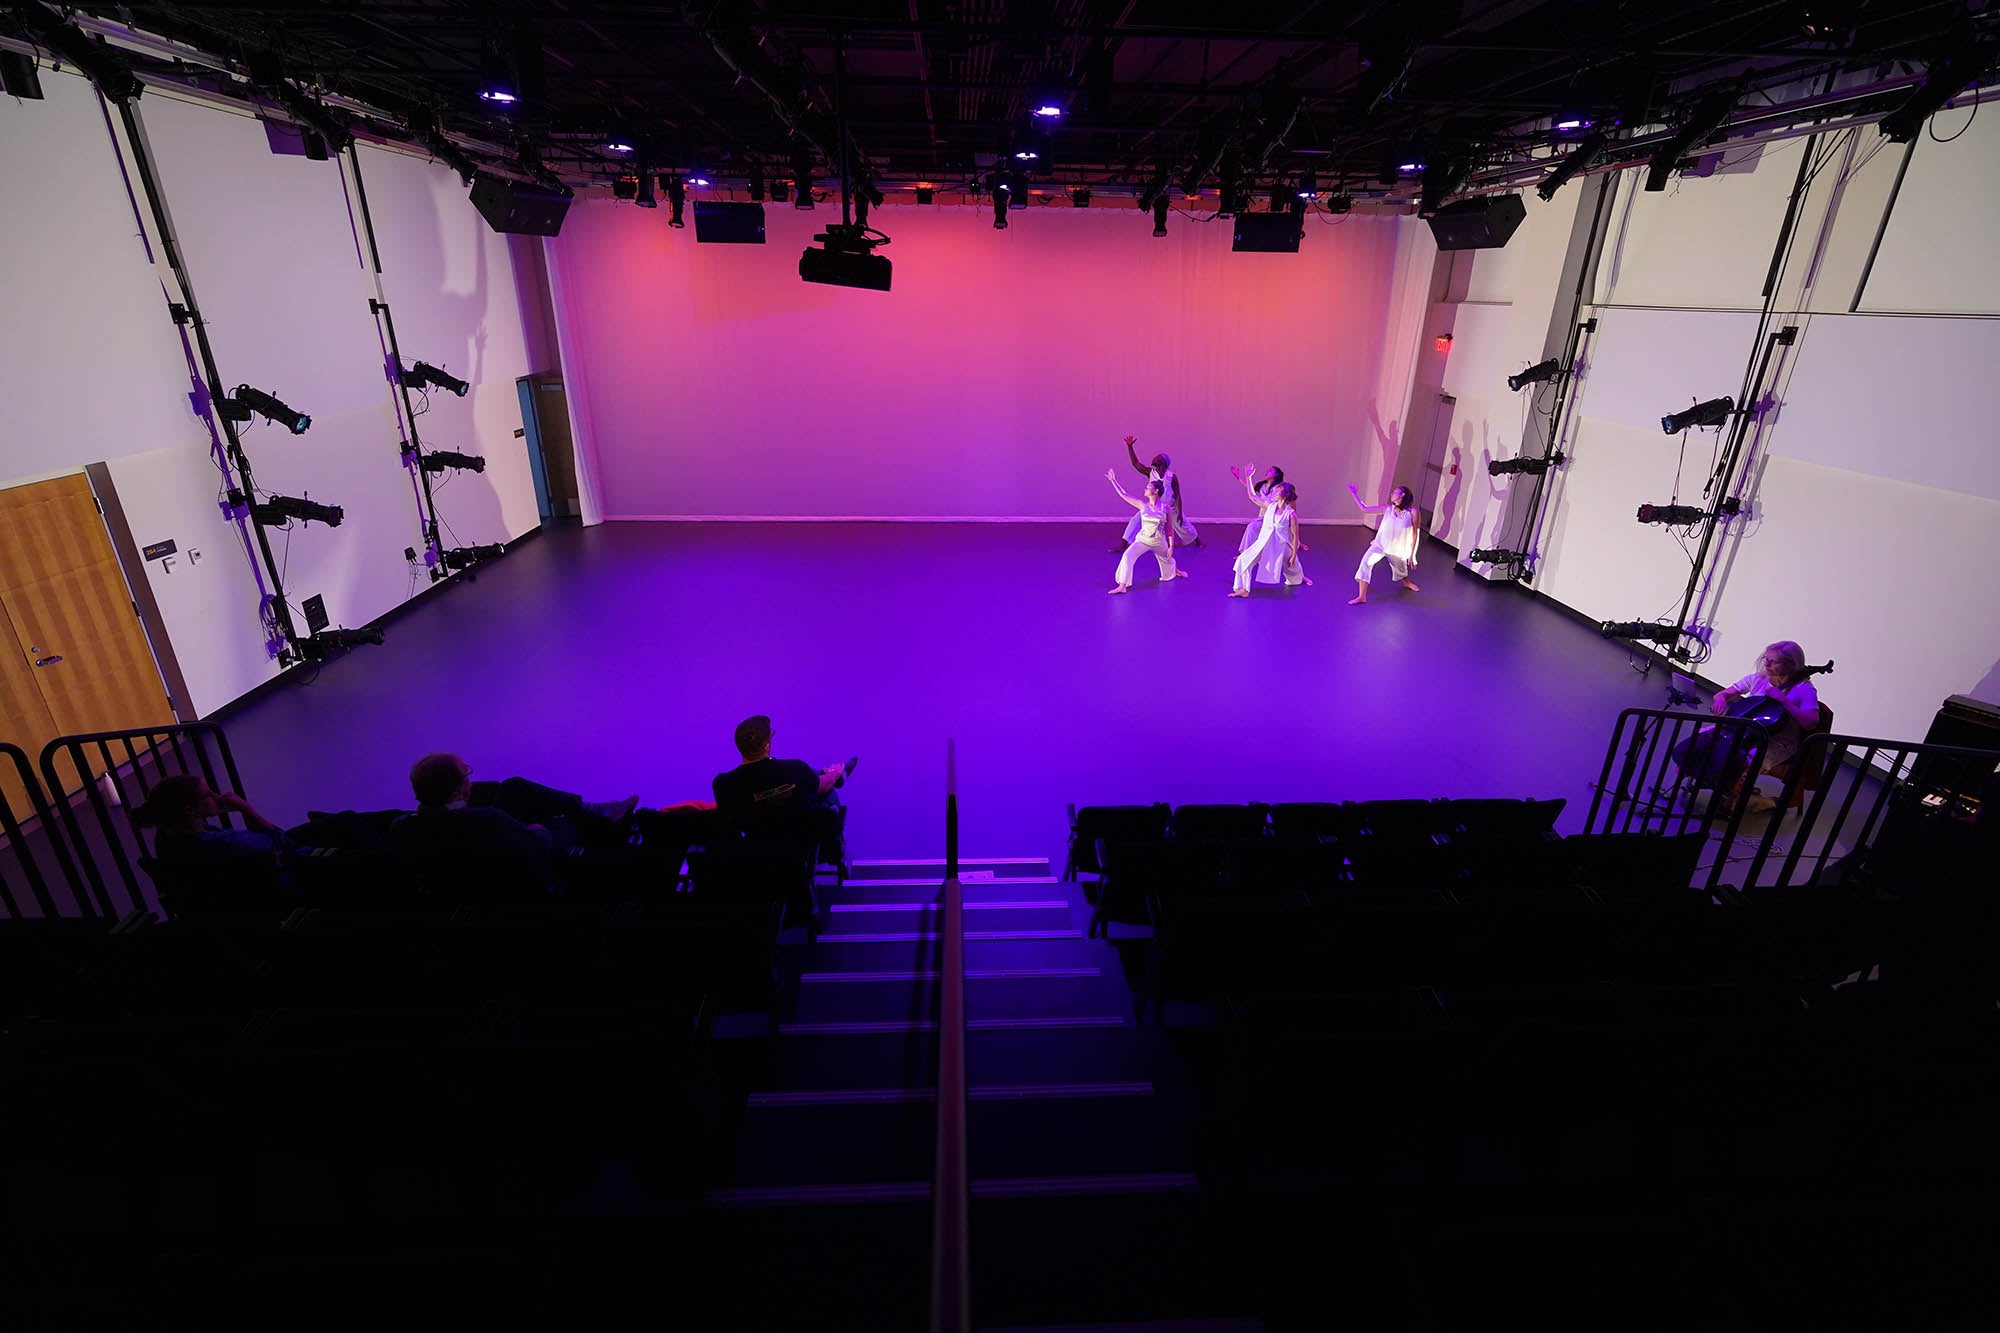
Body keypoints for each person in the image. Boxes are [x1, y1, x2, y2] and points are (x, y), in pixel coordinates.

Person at [389, 754, 638, 878]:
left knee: (513, 787)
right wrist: (536, 827)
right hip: (519, 869)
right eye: (467, 775)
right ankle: (597, 817)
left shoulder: (401, 827)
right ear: (457, 792)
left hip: (481, 853)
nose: (471, 782)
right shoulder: (487, 819)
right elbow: (538, 844)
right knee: (564, 821)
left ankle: (596, 811)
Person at [713, 715, 858, 867]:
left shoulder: (722, 783)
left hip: (752, 844)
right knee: (828, 794)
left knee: (804, 781)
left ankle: (823, 773)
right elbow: (822, 787)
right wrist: (836, 773)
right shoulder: (794, 768)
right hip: (797, 837)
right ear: (766, 745)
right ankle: (833, 852)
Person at [134, 775, 289, 866]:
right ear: (190, 810)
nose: (217, 796)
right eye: (208, 796)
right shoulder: (224, 843)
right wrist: (245, 808)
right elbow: (280, 842)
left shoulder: (165, 839)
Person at [1229, 465, 1308, 597]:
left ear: (1284, 494)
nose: (1275, 493)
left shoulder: (1291, 514)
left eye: (1277, 491)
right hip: (1264, 543)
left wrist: (1294, 554)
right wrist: (1248, 477)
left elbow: (1294, 536)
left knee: (1293, 567)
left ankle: (1300, 579)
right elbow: (1252, 496)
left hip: (1281, 545)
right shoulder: (1270, 506)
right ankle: (1243, 590)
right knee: (1243, 560)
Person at [1110, 435, 1198, 553]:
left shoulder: (1172, 476)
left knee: (1184, 524)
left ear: (1164, 465)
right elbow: (1136, 464)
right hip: (1153, 506)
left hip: (1169, 507)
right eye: (1156, 464)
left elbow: (1177, 495)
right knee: (1135, 521)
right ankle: (1123, 544)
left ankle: (1197, 540)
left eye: (1159, 464)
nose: (1156, 467)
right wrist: (1130, 447)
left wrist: (1179, 512)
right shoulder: (1150, 472)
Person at [1105, 468, 1187, 593]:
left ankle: (1175, 570)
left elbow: (1169, 529)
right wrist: (1113, 481)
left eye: (1148, 487)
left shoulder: (1165, 508)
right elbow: (1124, 494)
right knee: (1127, 556)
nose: (1145, 489)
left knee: (1168, 559)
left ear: (1156, 491)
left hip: (1159, 541)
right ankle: (1122, 586)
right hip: (1143, 540)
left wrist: (1171, 546)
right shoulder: (1142, 505)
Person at [1347, 483, 1421, 604]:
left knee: (1400, 570)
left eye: (1395, 492)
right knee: (1366, 562)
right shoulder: (1387, 509)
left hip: (1397, 550)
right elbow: (1364, 509)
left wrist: (1413, 555)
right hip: (1380, 546)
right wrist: (1354, 494)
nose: (1392, 493)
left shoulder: (1413, 512)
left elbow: (1415, 534)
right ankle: (1362, 596)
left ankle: (1406, 582)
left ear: (1402, 494)